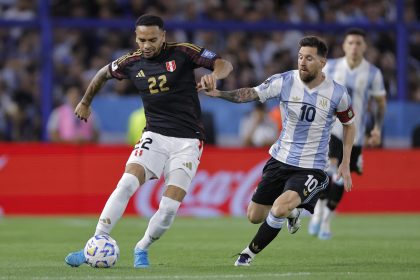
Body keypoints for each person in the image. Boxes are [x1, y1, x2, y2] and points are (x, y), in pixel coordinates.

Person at [64, 14, 232, 268]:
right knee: (126, 183)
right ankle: (96, 242)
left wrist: (214, 76)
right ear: (136, 37)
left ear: (163, 36)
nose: (147, 45)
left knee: (169, 209)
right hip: (155, 135)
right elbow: (102, 74)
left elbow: (223, 63)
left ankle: (141, 248)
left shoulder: (183, 52)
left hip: (188, 141)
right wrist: (86, 101)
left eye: (152, 39)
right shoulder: (130, 62)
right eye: (142, 39)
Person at [203, 36, 355, 266]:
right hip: (280, 159)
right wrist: (219, 94)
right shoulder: (284, 81)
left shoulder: (337, 94)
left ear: (322, 62)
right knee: (254, 216)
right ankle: (294, 213)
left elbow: (349, 125)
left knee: (280, 207)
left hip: (312, 167)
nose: (302, 62)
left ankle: (247, 254)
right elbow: (250, 93)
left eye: (309, 58)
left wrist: (344, 162)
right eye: (300, 57)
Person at [308, 28, 387, 240]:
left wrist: (377, 128)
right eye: (350, 43)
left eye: (358, 43)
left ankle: (326, 218)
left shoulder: (373, 73)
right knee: (328, 171)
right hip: (331, 129)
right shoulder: (331, 67)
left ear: (365, 47)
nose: (354, 47)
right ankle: (318, 215)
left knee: (342, 178)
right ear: (344, 46)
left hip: (356, 134)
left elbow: (380, 104)